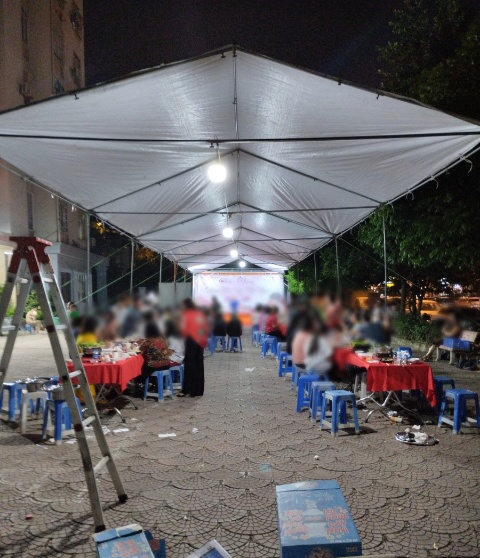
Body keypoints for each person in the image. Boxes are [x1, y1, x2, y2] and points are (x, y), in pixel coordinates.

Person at [180, 298, 209, 397]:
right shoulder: (200, 314)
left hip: (191, 341)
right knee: (198, 365)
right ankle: (198, 390)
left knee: (189, 365)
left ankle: (187, 389)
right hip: (200, 342)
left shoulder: (186, 314)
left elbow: (184, 329)